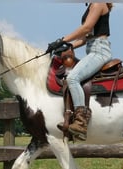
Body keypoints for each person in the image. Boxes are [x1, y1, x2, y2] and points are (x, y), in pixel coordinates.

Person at [47, 3, 113, 141]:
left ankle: (81, 123)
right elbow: (86, 37)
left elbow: (86, 28)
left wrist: (62, 40)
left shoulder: (98, 3)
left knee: (72, 78)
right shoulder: (91, 6)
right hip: (92, 49)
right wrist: (68, 46)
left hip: (99, 51)